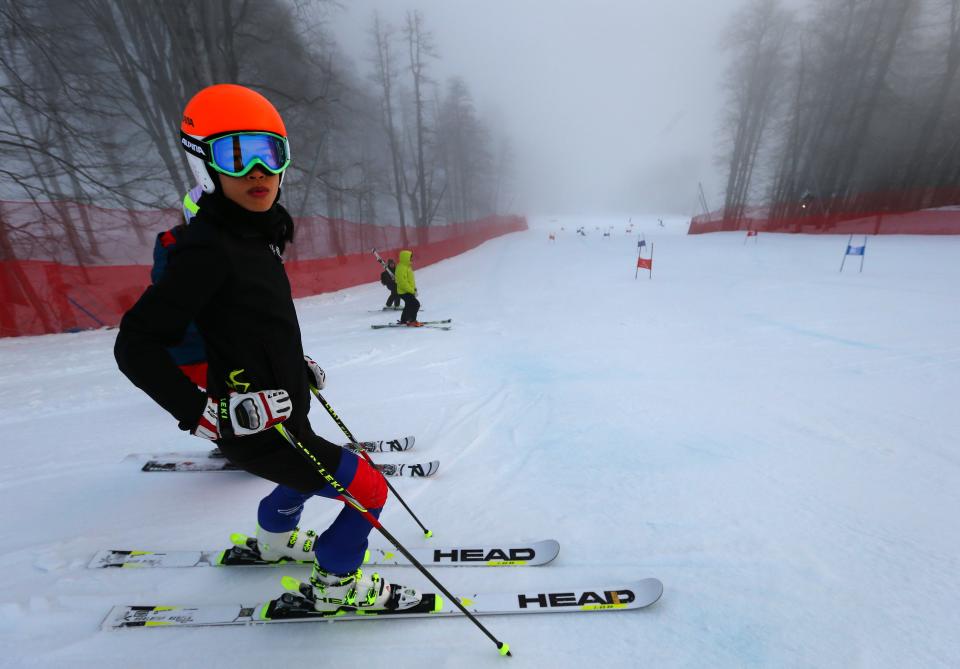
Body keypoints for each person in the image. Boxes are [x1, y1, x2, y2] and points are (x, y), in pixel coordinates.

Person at [114, 83, 420, 613]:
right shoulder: (206, 249)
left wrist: (292, 364)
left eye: (269, 153)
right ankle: (337, 586)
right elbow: (135, 344)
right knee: (369, 489)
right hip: (253, 423)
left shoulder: (256, 236)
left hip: (281, 410)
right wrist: (199, 413)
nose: (258, 172)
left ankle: (275, 543)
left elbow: (249, 323)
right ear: (203, 165)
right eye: (237, 155)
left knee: (303, 476)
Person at [395, 249, 421, 325]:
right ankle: (412, 320)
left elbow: (410, 280)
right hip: (404, 291)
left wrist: (414, 289)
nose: (412, 259)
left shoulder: (407, 266)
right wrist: (412, 291)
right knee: (416, 304)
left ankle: (404, 320)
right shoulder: (401, 268)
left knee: (409, 305)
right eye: (410, 257)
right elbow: (403, 283)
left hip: (408, 291)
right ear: (405, 258)